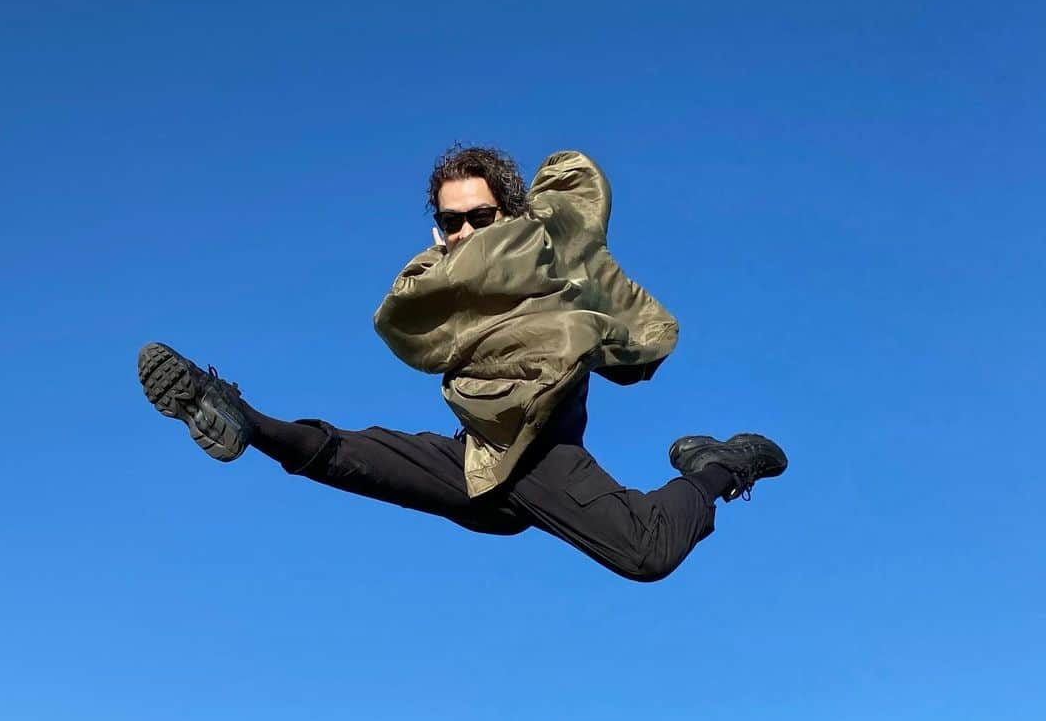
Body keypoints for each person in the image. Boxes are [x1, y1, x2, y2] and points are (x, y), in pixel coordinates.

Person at [137, 146, 786, 583]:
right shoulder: (441, 280)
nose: (465, 230)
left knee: (649, 551)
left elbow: (600, 284)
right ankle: (235, 413)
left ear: (510, 213)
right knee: (353, 457)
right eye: (451, 220)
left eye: (480, 215)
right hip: (479, 461)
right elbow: (412, 309)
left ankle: (717, 465)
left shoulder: (543, 257)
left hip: (543, 460)